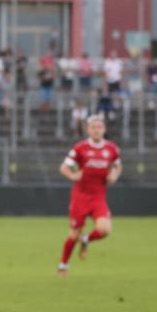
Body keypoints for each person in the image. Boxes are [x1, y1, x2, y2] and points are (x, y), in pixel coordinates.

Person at [57, 115, 122, 275]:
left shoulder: (111, 149)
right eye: (93, 127)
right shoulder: (80, 148)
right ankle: (63, 266)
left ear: (104, 129)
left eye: (99, 127)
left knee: (105, 229)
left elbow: (117, 165)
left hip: (98, 197)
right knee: (74, 234)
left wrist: (114, 175)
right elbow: (64, 167)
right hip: (80, 196)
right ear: (87, 130)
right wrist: (73, 176)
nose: (96, 130)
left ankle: (86, 239)